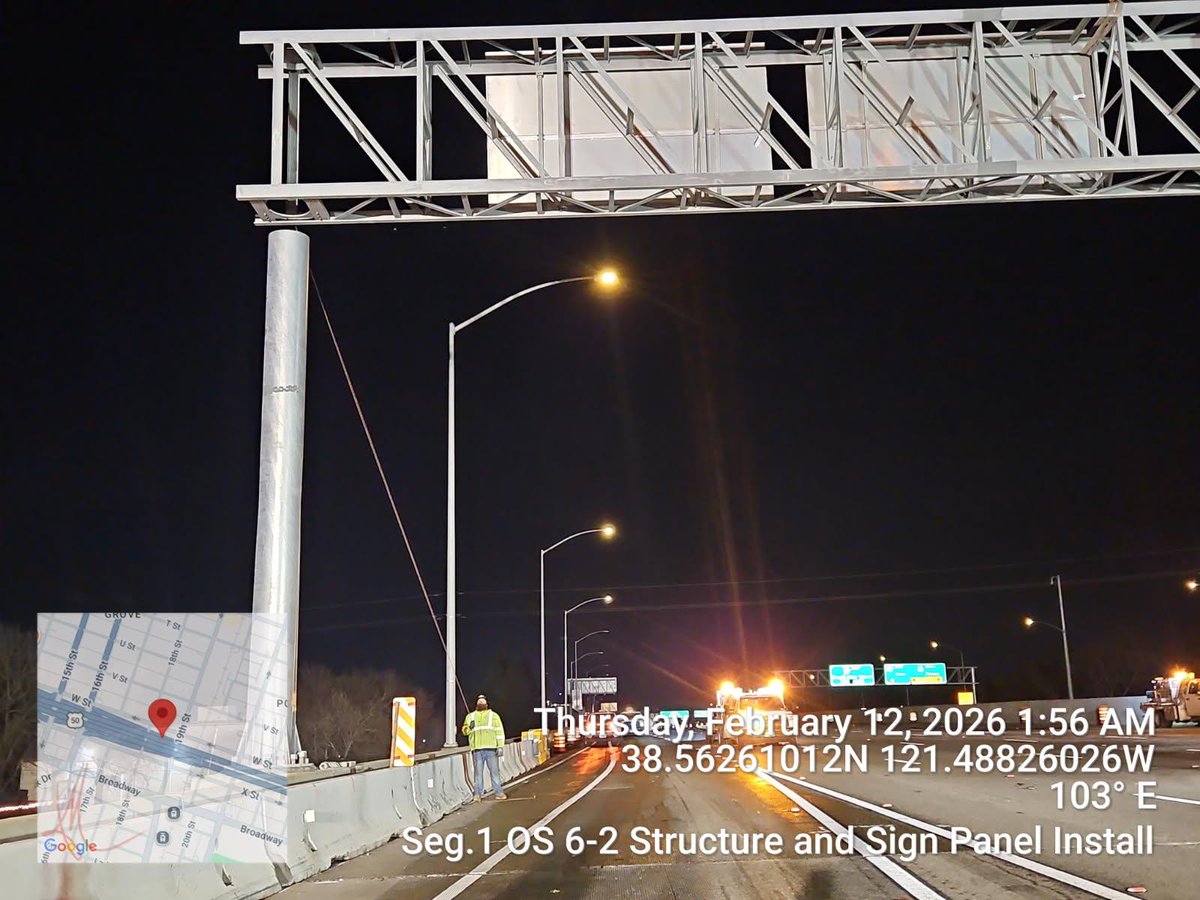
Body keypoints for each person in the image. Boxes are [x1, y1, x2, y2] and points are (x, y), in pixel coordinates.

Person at [461, 694, 506, 801]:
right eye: (479, 702)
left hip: (491, 749)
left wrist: (500, 746)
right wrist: (469, 728)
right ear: (477, 704)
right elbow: (464, 731)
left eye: (482, 702)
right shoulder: (470, 717)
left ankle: (498, 793)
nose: (481, 704)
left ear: (486, 704)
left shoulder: (494, 716)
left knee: (494, 772)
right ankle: (477, 794)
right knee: (478, 774)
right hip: (477, 750)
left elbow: (500, 732)